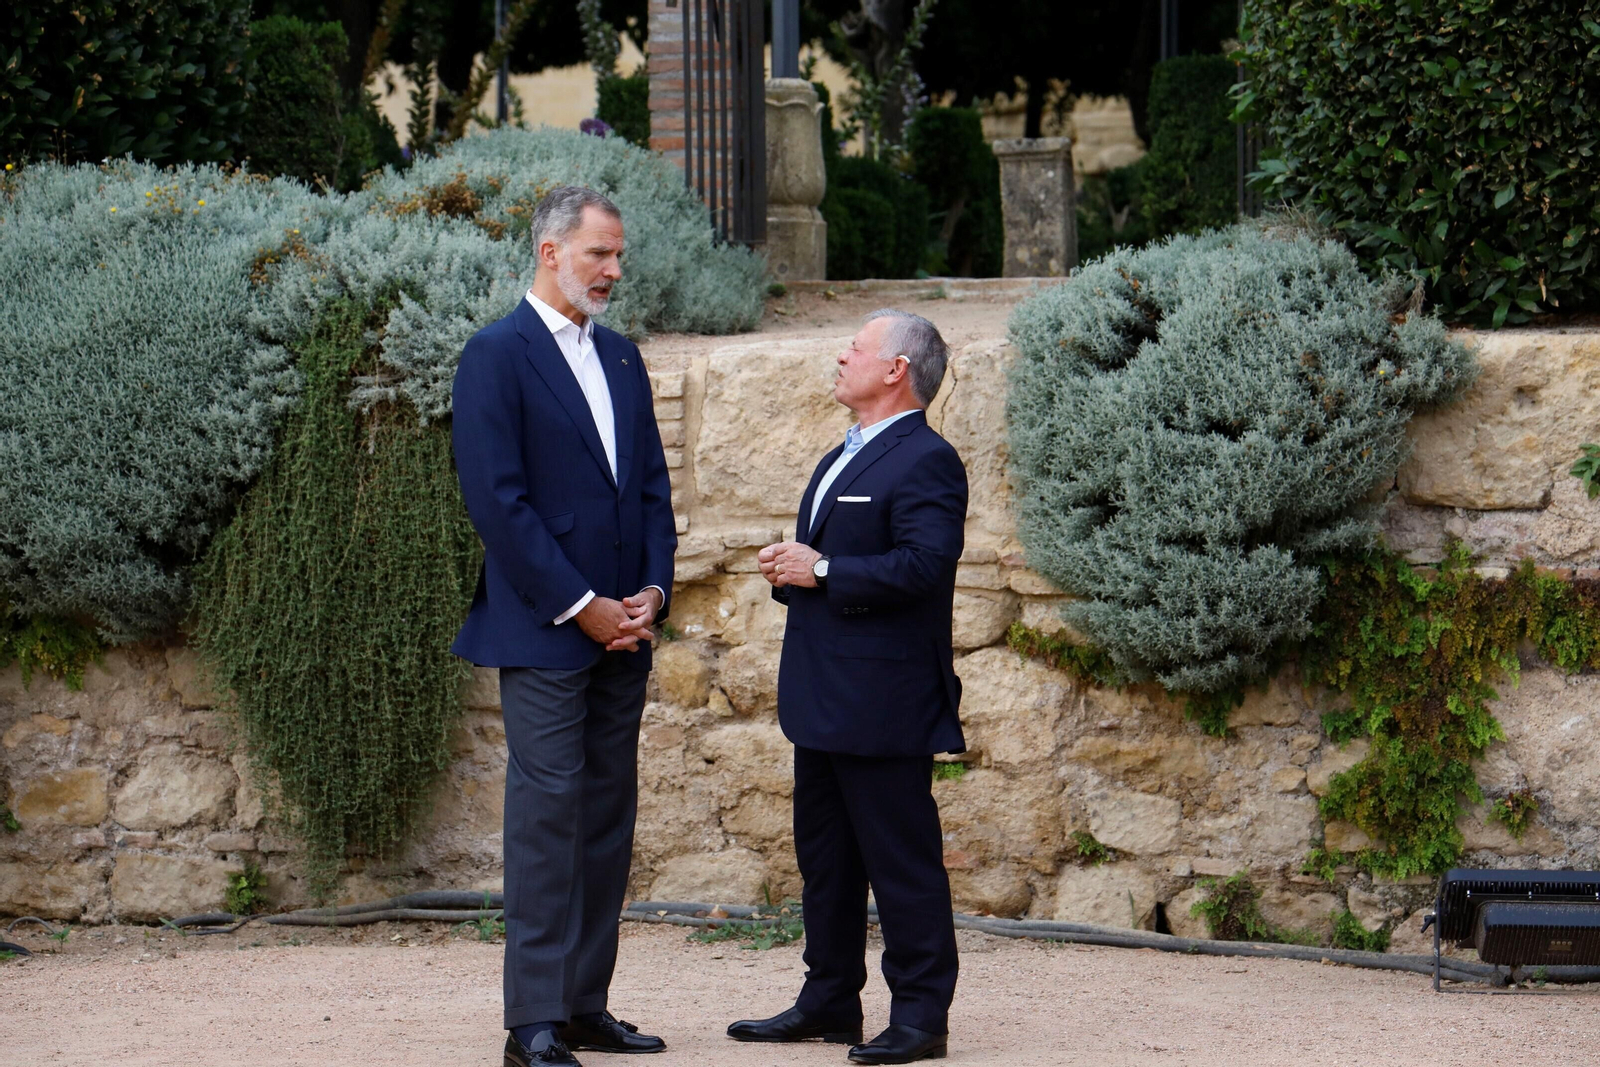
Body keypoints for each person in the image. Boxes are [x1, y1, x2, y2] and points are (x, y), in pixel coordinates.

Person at [451, 185, 677, 1067]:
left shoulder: (622, 357)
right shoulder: (494, 356)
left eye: (619, 256)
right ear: (550, 250)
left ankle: (585, 1004)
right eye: (599, 254)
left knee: (606, 817)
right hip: (547, 630)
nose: (614, 271)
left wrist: (651, 592)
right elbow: (498, 505)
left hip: (629, 629)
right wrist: (583, 607)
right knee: (547, 818)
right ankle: (532, 1022)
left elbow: (653, 488)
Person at [729, 310, 968, 1065]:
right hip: (822, 698)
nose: (841, 355)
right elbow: (835, 561)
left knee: (902, 861)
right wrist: (794, 568)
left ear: (896, 368)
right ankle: (830, 996)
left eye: (857, 348)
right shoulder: (845, 452)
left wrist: (823, 569)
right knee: (826, 860)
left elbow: (925, 567)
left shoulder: (928, 459)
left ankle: (921, 1015)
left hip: (886, 701)